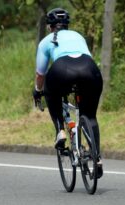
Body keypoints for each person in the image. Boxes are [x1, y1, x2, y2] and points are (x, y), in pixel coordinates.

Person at [32, 8, 103, 177]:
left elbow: (40, 74)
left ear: (50, 27)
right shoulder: (78, 36)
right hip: (89, 69)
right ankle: (97, 158)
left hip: (62, 70)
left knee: (50, 92)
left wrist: (37, 90)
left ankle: (60, 130)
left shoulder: (45, 42)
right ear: (67, 25)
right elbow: (85, 57)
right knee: (90, 116)